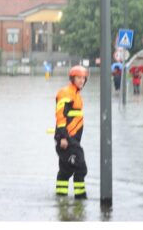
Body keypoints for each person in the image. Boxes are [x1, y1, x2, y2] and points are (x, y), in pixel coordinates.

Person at [54, 65, 88, 199]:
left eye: (83, 78)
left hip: (73, 138)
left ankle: (61, 199)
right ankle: (80, 201)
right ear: (72, 78)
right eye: (78, 78)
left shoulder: (76, 93)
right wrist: (62, 137)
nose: (81, 80)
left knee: (66, 170)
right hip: (67, 140)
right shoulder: (66, 92)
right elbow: (60, 116)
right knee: (81, 167)